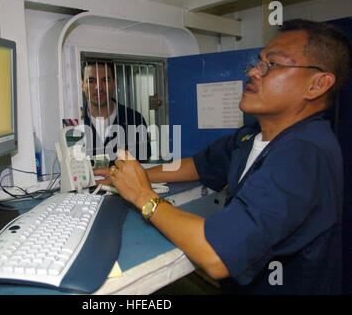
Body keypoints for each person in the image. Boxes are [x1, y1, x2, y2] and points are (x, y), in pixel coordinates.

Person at [95, 19, 351, 294]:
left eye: (272, 65)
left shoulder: (303, 156)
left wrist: (144, 197)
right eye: (258, 62)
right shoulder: (251, 136)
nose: (254, 71)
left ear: (317, 84)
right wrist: (133, 176)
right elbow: (198, 165)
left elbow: (217, 256)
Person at [81, 60, 151, 164]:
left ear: (114, 83)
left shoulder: (134, 119)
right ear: (82, 85)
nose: (98, 87)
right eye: (91, 81)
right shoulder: (74, 122)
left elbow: (143, 161)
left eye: (105, 80)